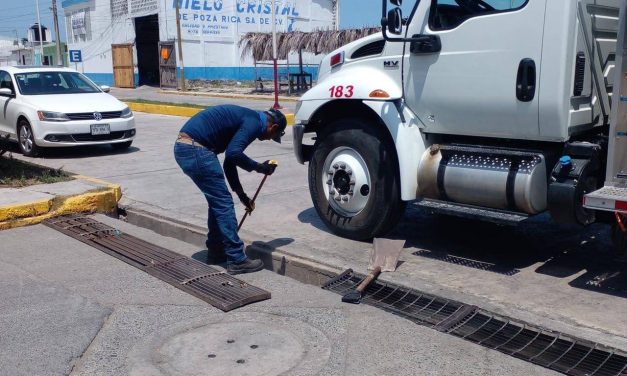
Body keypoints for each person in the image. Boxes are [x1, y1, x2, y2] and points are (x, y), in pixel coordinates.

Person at [173, 105, 287, 275]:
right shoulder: (254, 123)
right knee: (223, 204)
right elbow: (234, 154)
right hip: (195, 149)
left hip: (187, 147)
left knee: (217, 202)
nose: (269, 139)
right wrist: (259, 167)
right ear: (273, 127)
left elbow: (229, 161)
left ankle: (216, 251)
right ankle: (236, 259)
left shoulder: (249, 117)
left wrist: (242, 195)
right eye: (272, 136)